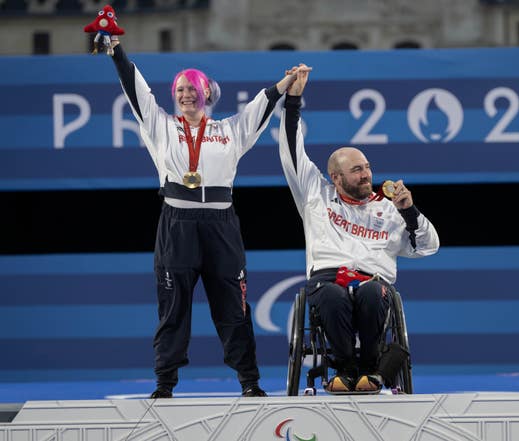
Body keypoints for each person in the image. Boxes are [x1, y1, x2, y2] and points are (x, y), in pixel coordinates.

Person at [100, 9, 300, 398]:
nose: (187, 94)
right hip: (177, 223)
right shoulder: (160, 127)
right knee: (173, 308)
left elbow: (262, 106)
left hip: (221, 225)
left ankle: (250, 382)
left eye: (193, 88)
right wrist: (116, 51)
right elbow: (135, 88)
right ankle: (164, 383)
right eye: (180, 90)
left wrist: (287, 81)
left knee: (234, 307)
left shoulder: (229, 131)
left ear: (208, 93)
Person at [279, 65, 440, 393]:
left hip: (373, 281)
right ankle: (345, 369)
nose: (366, 175)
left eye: (367, 168)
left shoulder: (388, 207)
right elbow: (291, 152)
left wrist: (409, 211)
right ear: (335, 178)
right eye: (356, 170)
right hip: (327, 279)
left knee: (370, 292)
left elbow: (427, 245)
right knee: (332, 296)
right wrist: (293, 101)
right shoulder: (316, 195)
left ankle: (370, 370)